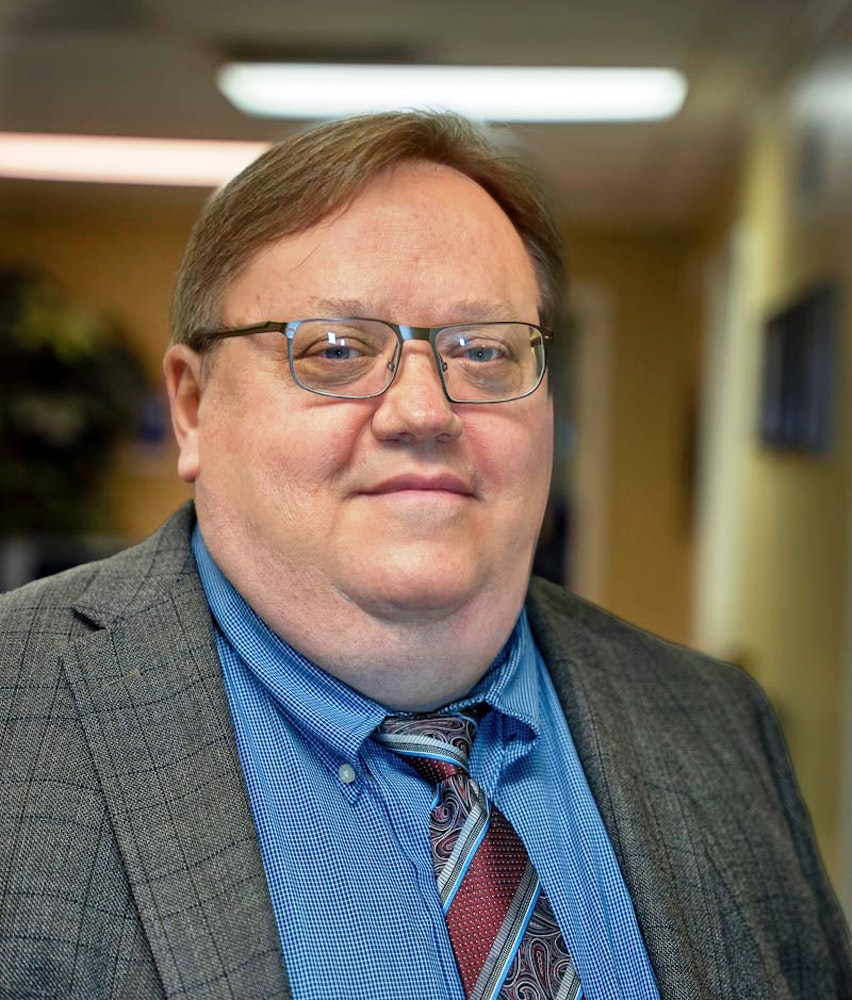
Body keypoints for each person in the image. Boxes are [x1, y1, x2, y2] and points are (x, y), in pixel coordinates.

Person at [0, 111, 849, 1000]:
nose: (423, 412)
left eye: (484, 352)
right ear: (191, 407)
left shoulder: (718, 725)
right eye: (335, 349)